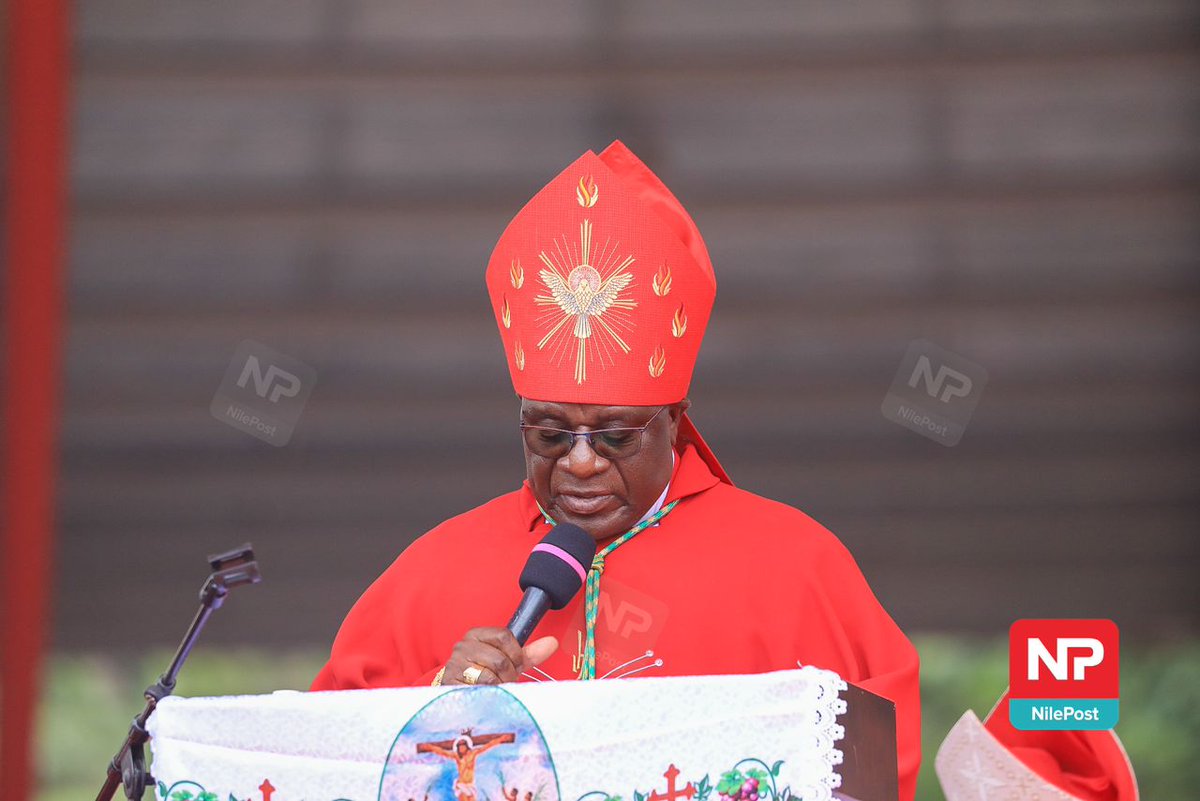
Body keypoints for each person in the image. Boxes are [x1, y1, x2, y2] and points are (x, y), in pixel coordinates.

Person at [311, 141, 921, 800]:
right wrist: (436, 707)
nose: (578, 461)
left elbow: (877, 755)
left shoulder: (797, 567)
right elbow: (319, 759)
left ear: (675, 419)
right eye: (548, 433)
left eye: (614, 436)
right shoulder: (428, 574)